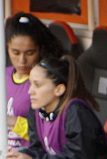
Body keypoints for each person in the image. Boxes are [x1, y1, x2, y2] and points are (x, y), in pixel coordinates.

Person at [4, 54, 107, 159]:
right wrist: (21, 155)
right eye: (30, 84)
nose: (30, 91)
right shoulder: (36, 110)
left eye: (37, 85)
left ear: (59, 89)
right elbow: (37, 148)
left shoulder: (75, 112)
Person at [5, 12, 64, 149]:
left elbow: (49, 130)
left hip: (31, 155)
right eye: (15, 52)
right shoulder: (4, 76)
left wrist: (13, 122)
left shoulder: (47, 83)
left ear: (40, 50)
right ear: (7, 48)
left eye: (30, 53)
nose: (22, 61)